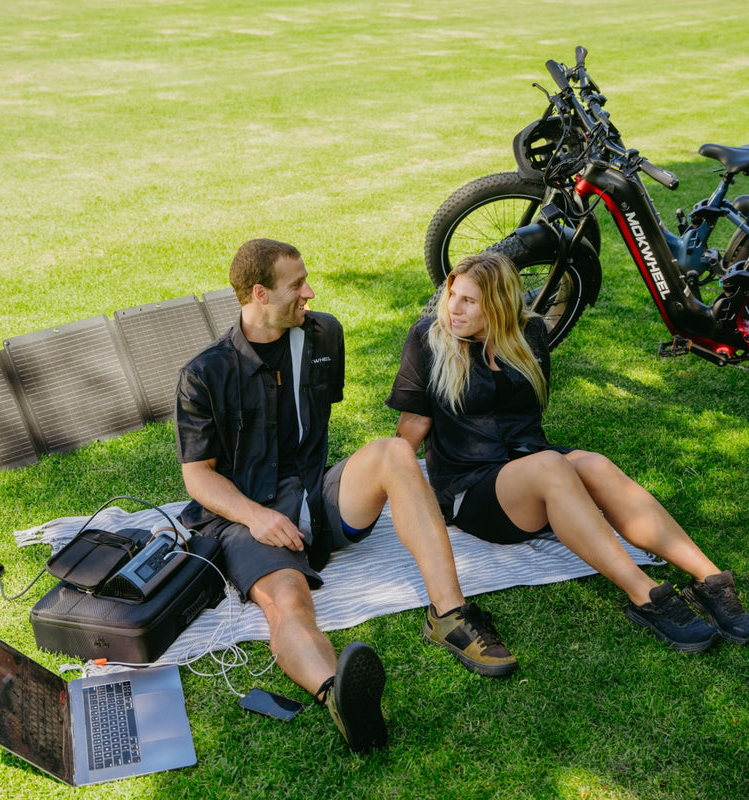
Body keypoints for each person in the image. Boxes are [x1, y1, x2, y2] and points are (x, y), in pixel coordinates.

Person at [174, 239, 517, 754]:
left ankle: (449, 614)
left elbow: (311, 431)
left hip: (316, 496)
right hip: (246, 520)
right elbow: (198, 477)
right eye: (297, 285)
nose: (310, 292)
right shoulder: (204, 374)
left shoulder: (324, 335)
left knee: (395, 454)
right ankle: (339, 695)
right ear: (260, 295)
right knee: (288, 602)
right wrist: (256, 516)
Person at [386, 251, 749, 654]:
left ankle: (709, 580)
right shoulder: (428, 337)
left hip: (532, 465)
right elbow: (413, 426)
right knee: (549, 466)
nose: (453, 309)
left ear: (498, 305)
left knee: (594, 464)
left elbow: (524, 418)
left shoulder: (528, 333)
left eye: (468, 301)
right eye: (452, 295)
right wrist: (398, 483)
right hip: (471, 488)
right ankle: (646, 595)